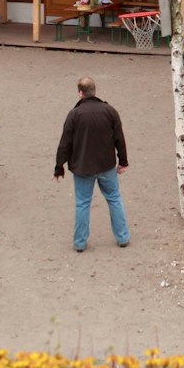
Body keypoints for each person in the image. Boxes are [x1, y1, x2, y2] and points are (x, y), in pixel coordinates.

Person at [53, 76, 129, 252]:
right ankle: (122, 237)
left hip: (82, 167)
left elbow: (65, 143)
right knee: (114, 198)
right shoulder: (110, 111)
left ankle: (80, 243)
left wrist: (59, 167)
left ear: (80, 93)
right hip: (106, 165)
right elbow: (119, 138)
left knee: (82, 203)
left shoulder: (74, 115)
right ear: (94, 91)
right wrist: (123, 161)